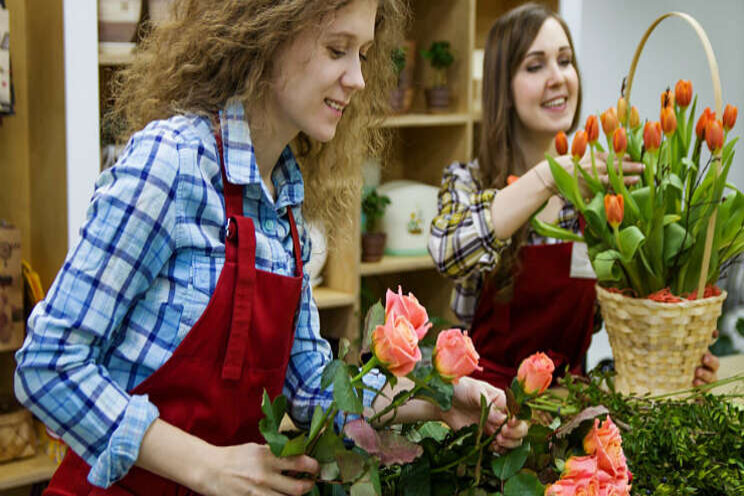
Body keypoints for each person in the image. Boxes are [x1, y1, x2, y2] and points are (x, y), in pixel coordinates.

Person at [15, 1, 527, 495]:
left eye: (363, 53)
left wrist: (438, 400)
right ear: (267, 34)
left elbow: (312, 391)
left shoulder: (284, 207)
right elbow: (47, 365)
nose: (359, 78)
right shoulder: (171, 164)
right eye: (336, 49)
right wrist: (208, 466)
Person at [428, 2, 720, 392]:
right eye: (535, 66)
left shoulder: (604, 197)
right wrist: (552, 176)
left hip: (571, 415)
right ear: (504, 90)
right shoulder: (468, 182)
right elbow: (449, 251)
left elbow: (627, 330)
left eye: (565, 61)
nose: (558, 78)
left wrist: (675, 360)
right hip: (485, 414)